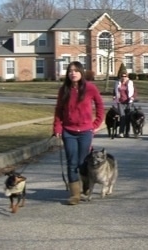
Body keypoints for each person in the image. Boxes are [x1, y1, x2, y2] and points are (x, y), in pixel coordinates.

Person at [53, 61, 105, 205]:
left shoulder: (90, 88)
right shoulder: (64, 90)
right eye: (70, 71)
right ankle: (75, 195)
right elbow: (58, 110)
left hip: (85, 132)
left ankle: (86, 187)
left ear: (81, 73)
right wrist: (57, 127)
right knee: (72, 163)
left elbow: (100, 106)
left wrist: (95, 124)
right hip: (68, 131)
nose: (73, 73)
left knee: (83, 163)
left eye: (76, 71)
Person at [113, 72, 135, 138]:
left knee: (128, 117)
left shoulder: (130, 83)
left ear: (127, 77)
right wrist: (114, 95)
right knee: (122, 116)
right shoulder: (117, 83)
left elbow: (135, 91)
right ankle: (121, 132)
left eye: (125, 76)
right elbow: (114, 90)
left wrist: (133, 97)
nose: (124, 77)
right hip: (120, 102)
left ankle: (127, 132)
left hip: (128, 102)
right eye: (122, 76)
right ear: (120, 77)